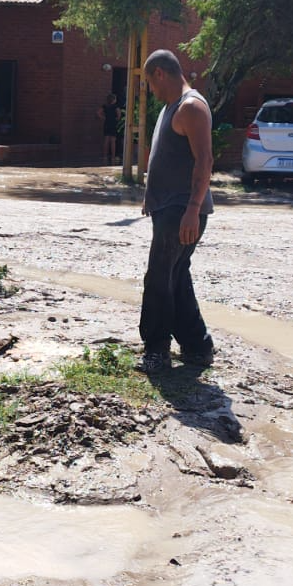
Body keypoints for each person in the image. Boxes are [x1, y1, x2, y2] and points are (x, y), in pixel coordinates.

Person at [138, 49, 215, 374]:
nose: (150, 91)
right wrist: (150, 198)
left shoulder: (191, 107)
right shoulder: (172, 108)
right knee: (176, 276)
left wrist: (192, 209)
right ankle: (197, 346)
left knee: (159, 278)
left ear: (160, 74)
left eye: (149, 83)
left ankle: (156, 351)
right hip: (167, 208)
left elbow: (205, 161)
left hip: (183, 210)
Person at [99, 92, 123, 165]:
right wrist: (116, 119)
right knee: (113, 141)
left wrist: (104, 118)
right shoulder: (116, 107)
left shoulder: (105, 106)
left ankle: (105, 156)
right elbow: (119, 115)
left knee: (106, 140)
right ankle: (113, 156)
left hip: (107, 124)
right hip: (113, 124)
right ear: (114, 99)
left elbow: (98, 113)